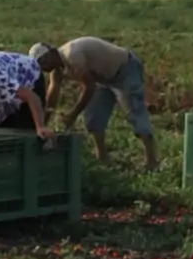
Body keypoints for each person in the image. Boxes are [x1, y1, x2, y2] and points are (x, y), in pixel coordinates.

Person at [31, 37, 160, 170]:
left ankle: (152, 161)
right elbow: (51, 99)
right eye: (40, 65)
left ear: (52, 52)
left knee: (135, 114)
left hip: (125, 70)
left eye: (44, 61)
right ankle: (102, 157)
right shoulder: (56, 72)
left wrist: (72, 115)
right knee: (93, 118)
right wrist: (42, 125)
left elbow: (89, 87)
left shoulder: (72, 55)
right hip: (102, 79)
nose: (44, 67)